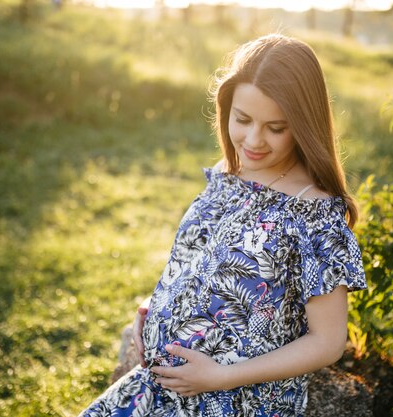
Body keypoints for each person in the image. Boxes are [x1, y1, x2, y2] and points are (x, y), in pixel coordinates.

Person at [78, 33, 366, 417]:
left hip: (234, 402)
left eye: (275, 127)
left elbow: (328, 342)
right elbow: (195, 261)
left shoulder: (314, 214)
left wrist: (221, 376)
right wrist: (154, 304)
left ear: (303, 124)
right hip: (159, 388)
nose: (253, 140)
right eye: (242, 119)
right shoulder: (225, 176)